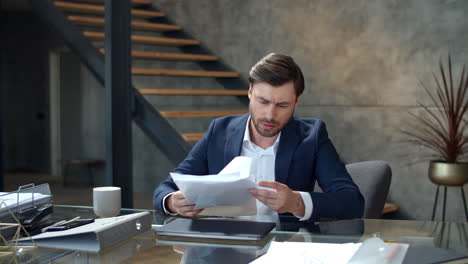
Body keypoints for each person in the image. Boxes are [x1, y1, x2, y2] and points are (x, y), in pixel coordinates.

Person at [153, 53, 364, 221]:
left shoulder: (312, 136)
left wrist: (296, 202)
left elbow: (352, 201)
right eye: (262, 101)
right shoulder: (220, 130)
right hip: (225, 249)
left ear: (296, 102)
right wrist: (172, 202)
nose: (270, 115)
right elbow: (166, 188)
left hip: (285, 251)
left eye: (282, 105)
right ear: (250, 92)